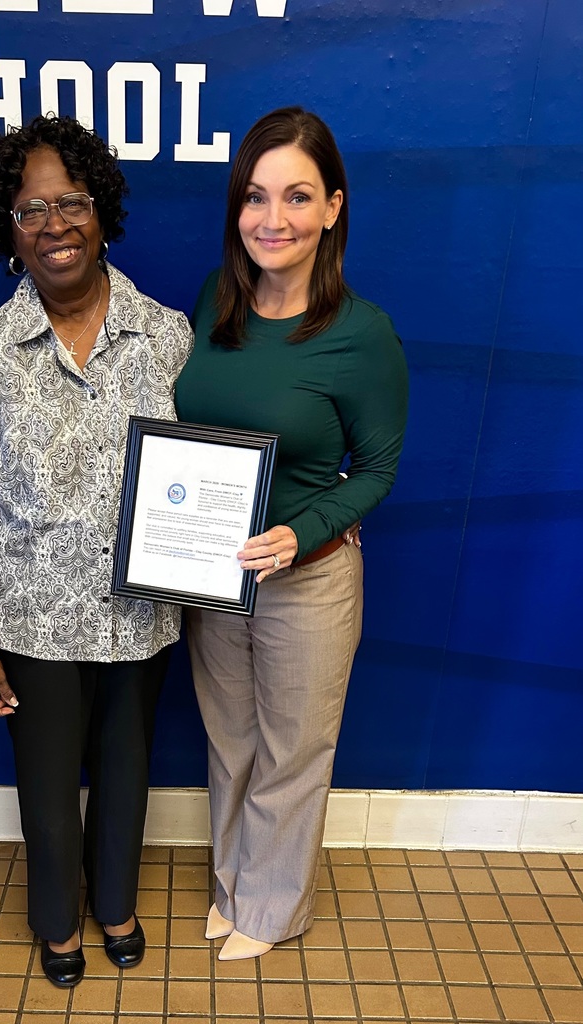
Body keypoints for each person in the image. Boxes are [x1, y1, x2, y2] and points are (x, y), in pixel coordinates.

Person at [0, 114, 192, 987]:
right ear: (8, 230)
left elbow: (204, 476)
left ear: (101, 211)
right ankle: (58, 924)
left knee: (126, 775)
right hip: (30, 626)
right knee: (48, 800)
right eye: (30, 209)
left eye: (70, 202)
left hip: (140, 617)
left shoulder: (166, 336)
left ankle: (114, 903)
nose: (54, 225)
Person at [175, 107, 408, 961]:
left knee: (292, 750)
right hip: (214, 572)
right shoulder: (214, 299)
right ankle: (235, 888)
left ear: (333, 209)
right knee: (230, 740)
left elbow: (378, 471)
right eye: (255, 197)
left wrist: (299, 531)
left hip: (306, 579)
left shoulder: (361, 334)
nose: (272, 220)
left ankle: (272, 911)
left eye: (297, 197)